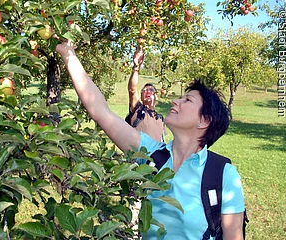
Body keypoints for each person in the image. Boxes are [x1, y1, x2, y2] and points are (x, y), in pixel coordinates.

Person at [55, 40, 245, 240]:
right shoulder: (152, 154)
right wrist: (69, 55)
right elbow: (100, 112)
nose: (175, 101)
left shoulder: (222, 175)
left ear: (204, 121)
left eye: (187, 100)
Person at [125, 46, 165, 142]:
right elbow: (132, 90)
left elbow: (161, 140)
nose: (147, 91)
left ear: (156, 96)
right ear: (142, 97)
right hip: (139, 155)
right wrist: (136, 67)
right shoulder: (138, 110)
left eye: (151, 90)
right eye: (144, 91)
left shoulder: (160, 118)